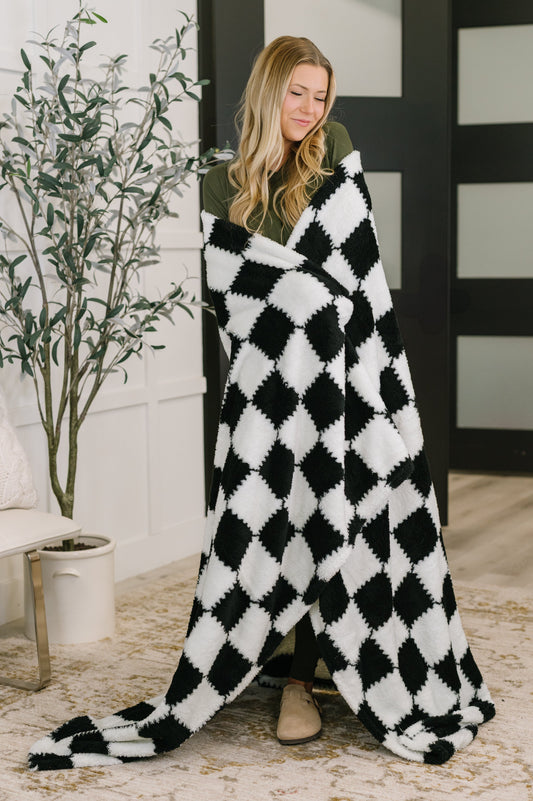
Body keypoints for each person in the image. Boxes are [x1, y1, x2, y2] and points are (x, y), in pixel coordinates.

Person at [202, 35, 353, 746]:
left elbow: (347, 269)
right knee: (265, 519)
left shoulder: (332, 154)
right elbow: (231, 295)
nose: (309, 108)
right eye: (297, 92)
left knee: (325, 513)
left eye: (319, 96)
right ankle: (254, 649)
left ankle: (303, 678)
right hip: (262, 378)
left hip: (335, 370)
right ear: (269, 92)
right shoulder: (220, 185)